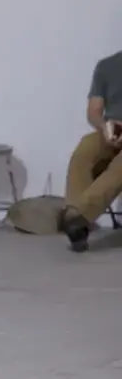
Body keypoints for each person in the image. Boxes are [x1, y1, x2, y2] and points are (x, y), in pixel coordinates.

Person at [58, 50, 122, 252]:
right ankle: (76, 219)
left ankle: (80, 217)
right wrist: (105, 127)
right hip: (112, 130)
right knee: (85, 149)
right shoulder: (107, 66)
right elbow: (94, 111)